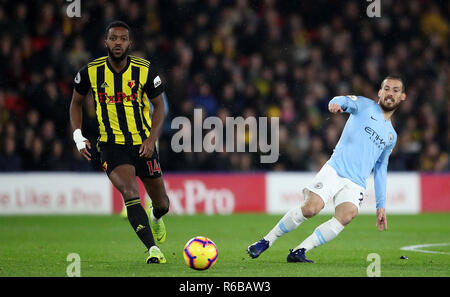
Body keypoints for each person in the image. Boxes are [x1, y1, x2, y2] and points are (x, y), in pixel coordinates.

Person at [247, 75, 406, 263]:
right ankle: (266, 241)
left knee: (347, 215)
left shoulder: (391, 136)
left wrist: (381, 205)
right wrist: (335, 103)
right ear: (380, 92)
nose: (390, 94)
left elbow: (381, 168)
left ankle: (299, 251)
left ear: (402, 97)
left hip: (357, 182)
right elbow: (343, 100)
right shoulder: (364, 106)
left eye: (395, 91)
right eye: (387, 89)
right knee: (311, 209)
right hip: (336, 169)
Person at [69, 21, 170, 264]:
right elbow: (76, 103)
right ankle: (153, 250)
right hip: (111, 147)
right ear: (106, 42)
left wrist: (151, 139)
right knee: (130, 192)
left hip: (143, 145)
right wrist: (78, 135)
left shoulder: (144, 70)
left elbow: (159, 107)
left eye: (123, 39)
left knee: (162, 204)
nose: (118, 42)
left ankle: (155, 218)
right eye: (113, 38)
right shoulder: (89, 72)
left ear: (129, 44)